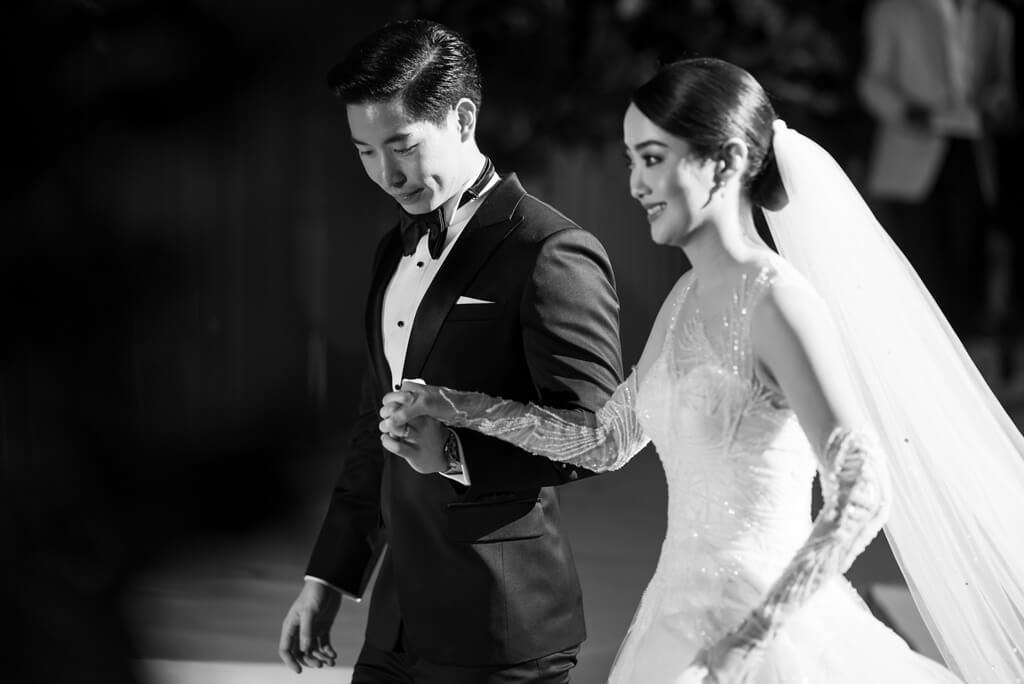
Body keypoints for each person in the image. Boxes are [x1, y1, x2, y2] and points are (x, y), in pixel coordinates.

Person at [382, 57, 1024, 683]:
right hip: (672, 618)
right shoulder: (685, 298)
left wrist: (753, 638)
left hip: (765, 638)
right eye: (632, 161)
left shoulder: (779, 303)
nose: (636, 184)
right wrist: (458, 406)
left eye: (654, 159)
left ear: (727, 161)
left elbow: (865, 488)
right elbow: (605, 441)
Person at [278, 18, 623, 684]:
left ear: (463, 117)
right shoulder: (393, 249)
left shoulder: (550, 249)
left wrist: (456, 453)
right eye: (364, 151)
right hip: (395, 623)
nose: (386, 174)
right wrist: (327, 578)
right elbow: (374, 426)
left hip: (502, 627)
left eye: (402, 146)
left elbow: (594, 436)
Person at [858, 0, 1016, 337]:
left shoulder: (995, 16)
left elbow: (1003, 85)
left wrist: (994, 106)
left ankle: (966, 347)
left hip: (974, 151)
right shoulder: (894, 11)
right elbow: (873, 83)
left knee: (971, 262)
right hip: (911, 154)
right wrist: (914, 115)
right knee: (918, 264)